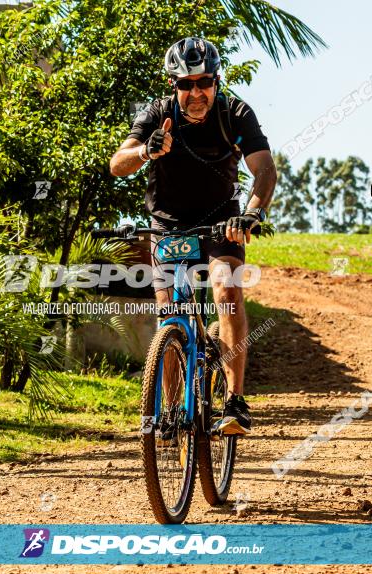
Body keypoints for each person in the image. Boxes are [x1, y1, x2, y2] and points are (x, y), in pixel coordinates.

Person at [109, 37, 276, 434]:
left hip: (222, 224)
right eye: (186, 84)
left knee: (226, 291)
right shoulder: (157, 114)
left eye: (204, 82)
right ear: (174, 86)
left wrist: (252, 214)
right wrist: (146, 152)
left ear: (216, 81)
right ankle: (170, 410)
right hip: (168, 225)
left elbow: (265, 171)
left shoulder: (234, 113)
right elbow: (118, 164)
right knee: (170, 315)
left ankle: (234, 402)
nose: (196, 92)